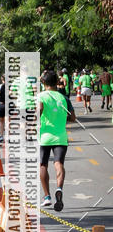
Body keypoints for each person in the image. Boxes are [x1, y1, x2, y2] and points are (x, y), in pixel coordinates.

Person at [40, 70, 76, 211]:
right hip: (61, 137)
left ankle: (47, 197)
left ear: (43, 82)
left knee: (43, 165)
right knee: (58, 163)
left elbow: (39, 109)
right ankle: (59, 188)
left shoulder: (41, 96)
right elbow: (72, 118)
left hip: (44, 137)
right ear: (57, 82)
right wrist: (60, 117)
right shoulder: (64, 98)